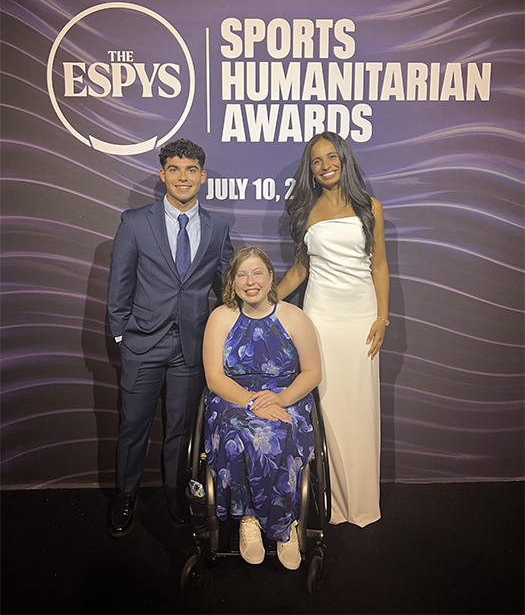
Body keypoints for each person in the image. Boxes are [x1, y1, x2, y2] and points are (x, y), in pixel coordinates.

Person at [107, 138, 233, 536]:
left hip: (190, 349)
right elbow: (120, 285)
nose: (183, 177)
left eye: (191, 170)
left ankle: (175, 493)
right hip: (142, 343)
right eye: (175, 169)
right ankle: (125, 495)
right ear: (163, 175)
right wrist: (122, 336)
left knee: (180, 429)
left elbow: (225, 284)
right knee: (134, 426)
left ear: (203, 177)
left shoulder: (217, 227)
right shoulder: (134, 221)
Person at [277, 131, 390, 528]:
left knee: (358, 410)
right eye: (316, 161)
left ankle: (359, 501)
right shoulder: (306, 211)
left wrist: (382, 317)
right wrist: (265, 300)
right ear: (310, 170)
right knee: (326, 408)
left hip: (360, 321)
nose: (325, 166)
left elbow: (378, 266)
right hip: (320, 318)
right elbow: (300, 271)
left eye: (331, 157)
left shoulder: (369, 206)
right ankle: (327, 500)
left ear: (343, 159)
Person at [203, 247, 321, 569]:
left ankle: (284, 528)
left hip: (284, 394)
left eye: (257, 273)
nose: (250, 281)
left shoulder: (294, 317)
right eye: (242, 274)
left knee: (280, 430)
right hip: (233, 395)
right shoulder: (221, 318)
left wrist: (280, 399)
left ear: (271, 278)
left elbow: (312, 372)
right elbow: (214, 378)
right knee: (238, 431)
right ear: (233, 281)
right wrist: (252, 402)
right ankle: (249, 520)